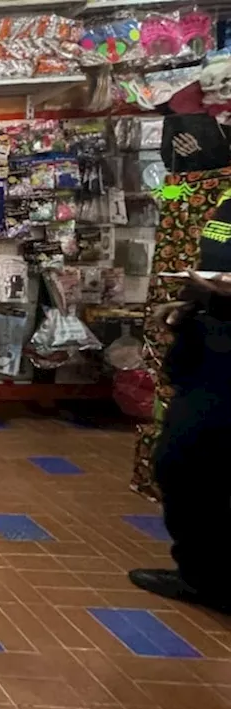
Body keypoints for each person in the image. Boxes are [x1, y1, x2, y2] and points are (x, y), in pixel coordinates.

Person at [127, 187, 231, 616]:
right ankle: (202, 574)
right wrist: (192, 301)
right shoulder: (225, 196)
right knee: (182, 464)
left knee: (191, 461)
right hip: (210, 344)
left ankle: (210, 578)